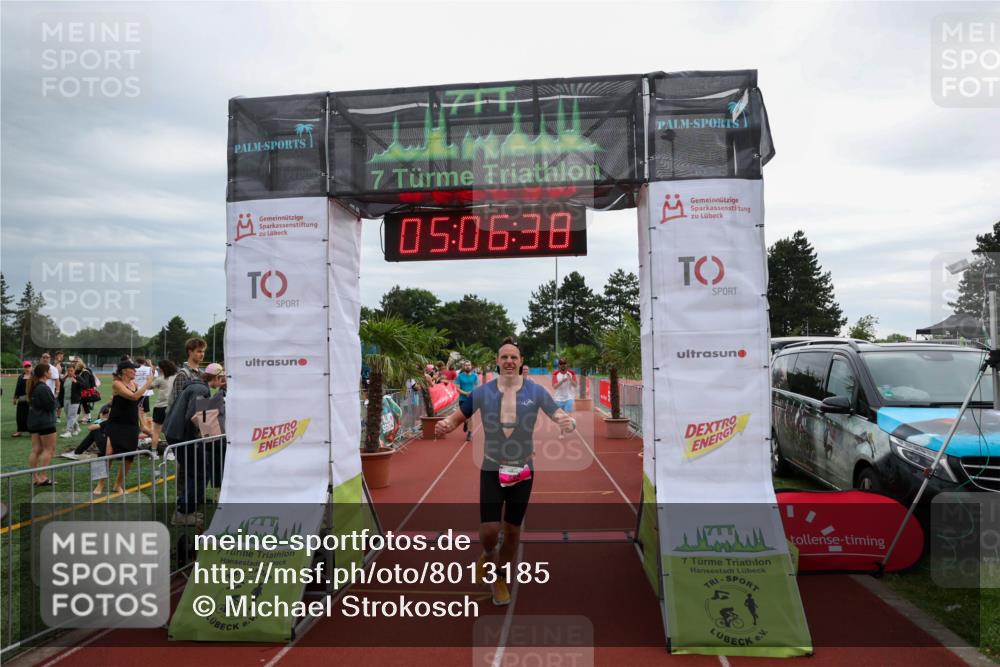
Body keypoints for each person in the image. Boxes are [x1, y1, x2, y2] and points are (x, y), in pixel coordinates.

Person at [434, 338, 575, 606]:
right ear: (497, 362)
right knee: (489, 530)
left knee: (512, 531)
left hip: (523, 469)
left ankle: (499, 577)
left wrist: (566, 421)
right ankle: (487, 554)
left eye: (514, 357)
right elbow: (457, 418)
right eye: (504, 357)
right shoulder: (483, 392)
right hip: (491, 467)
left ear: (521, 362)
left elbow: (557, 414)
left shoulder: (536, 392)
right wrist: (445, 425)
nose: (509, 361)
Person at [164, 363, 226, 526]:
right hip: (182, 436)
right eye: (223, 377)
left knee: (196, 470)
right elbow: (193, 416)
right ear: (218, 377)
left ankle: (184, 508)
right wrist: (207, 432)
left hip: (174, 433)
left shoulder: (197, 385)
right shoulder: (202, 390)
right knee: (200, 472)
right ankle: (183, 513)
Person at [93, 360, 155, 496]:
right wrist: (147, 383)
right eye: (133, 369)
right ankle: (100, 484)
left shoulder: (135, 384)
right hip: (116, 423)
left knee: (129, 456)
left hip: (131, 424)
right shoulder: (117, 384)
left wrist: (143, 424)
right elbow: (134, 397)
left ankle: (118, 485)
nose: (135, 371)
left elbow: (137, 406)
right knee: (108, 452)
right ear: (124, 371)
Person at [26, 362, 58, 486]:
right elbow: (51, 405)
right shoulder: (43, 388)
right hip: (45, 422)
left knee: (36, 449)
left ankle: (36, 478)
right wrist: (55, 400)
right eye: (49, 371)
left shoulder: (36, 386)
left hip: (35, 422)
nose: (51, 372)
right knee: (48, 449)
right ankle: (43, 477)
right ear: (45, 373)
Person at [151, 360, 178, 455]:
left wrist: (150, 375)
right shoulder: (176, 376)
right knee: (170, 432)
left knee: (156, 432)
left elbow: (149, 386)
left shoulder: (160, 378)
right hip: (172, 407)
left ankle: (153, 453)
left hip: (160, 407)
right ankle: (171, 452)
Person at [455, 360, 479, 442]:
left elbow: (477, 386)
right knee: (465, 417)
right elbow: (457, 388)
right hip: (463, 399)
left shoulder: (475, 376)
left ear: (471, 366)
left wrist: (473, 393)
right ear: (463, 367)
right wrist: (465, 393)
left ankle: (469, 433)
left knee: (471, 417)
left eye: (469, 365)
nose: (467, 366)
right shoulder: (459, 376)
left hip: (472, 398)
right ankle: (465, 422)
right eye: (466, 365)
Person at [59, 364, 82, 438]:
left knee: (71, 416)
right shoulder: (65, 379)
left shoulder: (77, 377)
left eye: (71, 371)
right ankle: (77, 428)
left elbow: (86, 386)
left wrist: (76, 382)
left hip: (74, 400)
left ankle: (68, 432)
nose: (70, 372)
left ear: (74, 371)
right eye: (68, 371)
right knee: (68, 416)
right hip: (66, 400)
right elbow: (62, 390)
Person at [12, 361, 32, 437]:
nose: (27, 368)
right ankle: (19, 431)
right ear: (23, 368)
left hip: (31, 400)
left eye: (29, 367)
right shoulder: (20, 377)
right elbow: (18, 388)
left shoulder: (34, 376)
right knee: (19, 416)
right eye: (26, 367)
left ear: (31, 367)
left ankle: (32, 431)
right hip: (21, 399)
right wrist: (15, 398)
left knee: (30, 416)